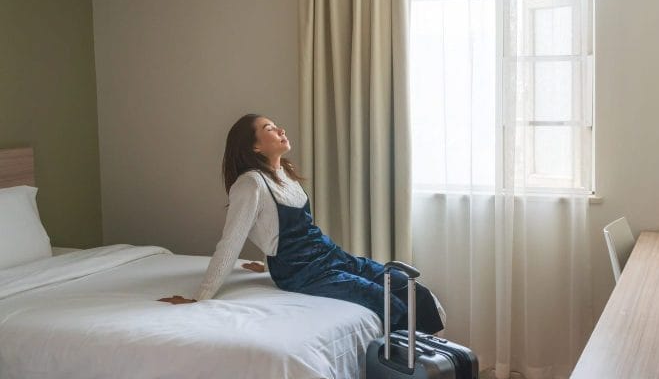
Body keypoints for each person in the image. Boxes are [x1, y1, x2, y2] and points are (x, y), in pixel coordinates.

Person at [158, 114, 445, 334]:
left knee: (404, 285)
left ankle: (441, 367)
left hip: (330, 256)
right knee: (386, 303)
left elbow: (277, 229)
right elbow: (231, 241)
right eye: (269, 128)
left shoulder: (286, 174)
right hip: (302, 273)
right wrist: (200, 298)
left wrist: (268, 262)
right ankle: (411, 374)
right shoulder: (250, 184)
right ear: (255, 146)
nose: (280, 130)